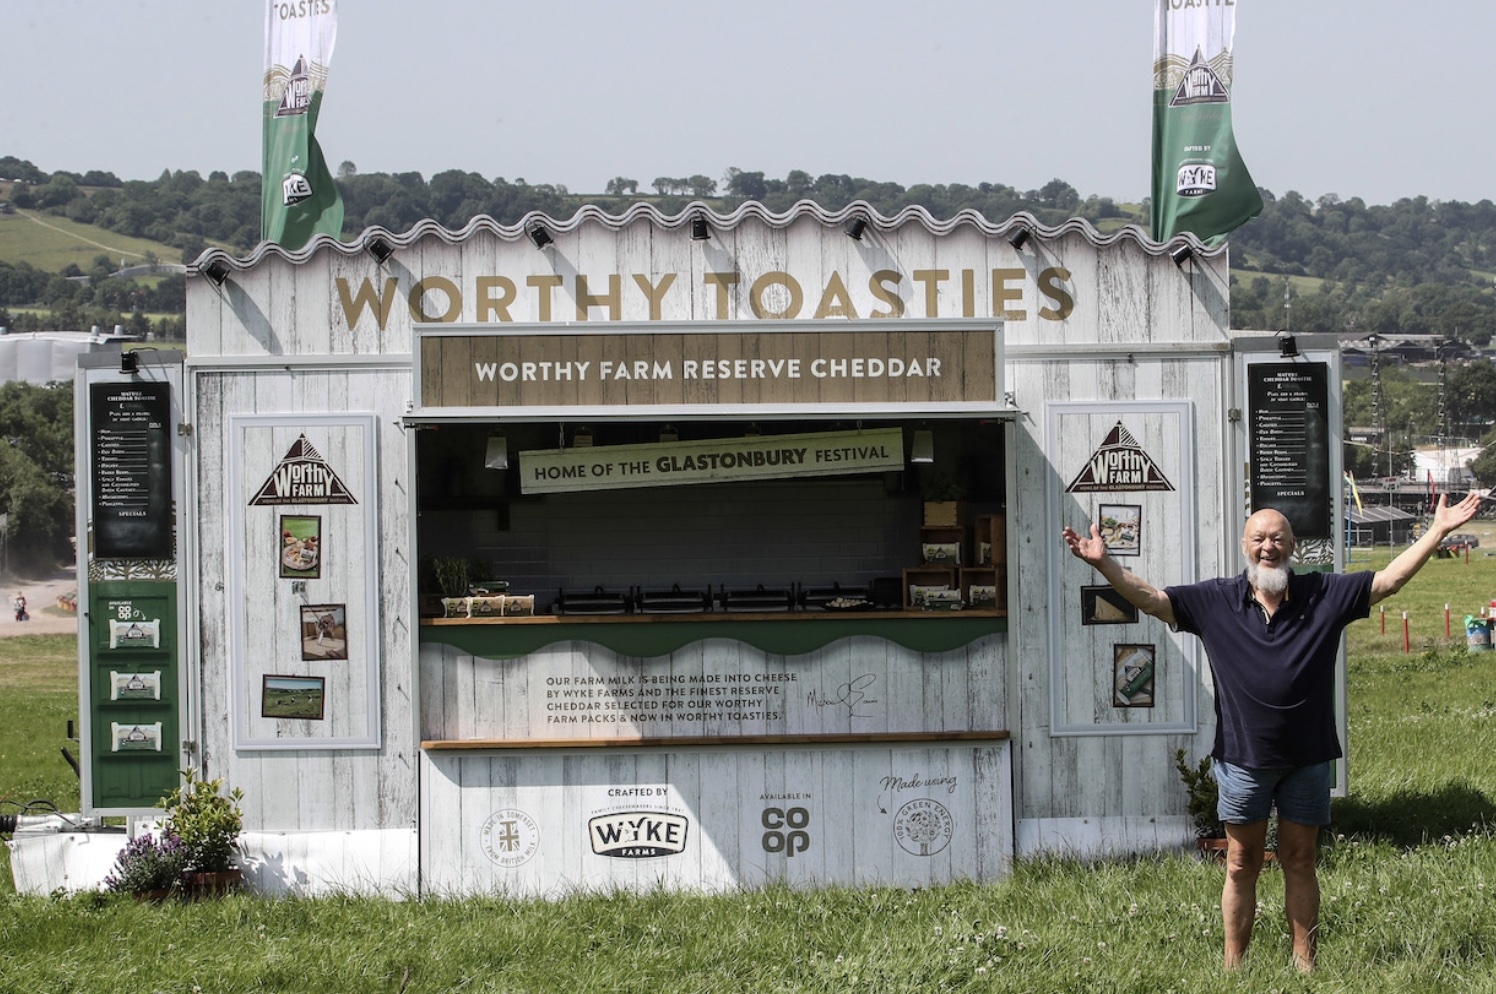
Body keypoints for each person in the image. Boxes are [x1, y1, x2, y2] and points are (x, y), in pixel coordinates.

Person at [1062, 491, 1481, 972]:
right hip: (1243, 759)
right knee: (1242, 863)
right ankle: (1233, 967)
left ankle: (1305, 965)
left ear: (1293, 546)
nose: (1269, 546)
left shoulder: (1324, 594)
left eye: (1278, 538)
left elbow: (1388, 581)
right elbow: (1152, 600)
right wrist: (1105, 565)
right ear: (1245, 546)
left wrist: (1437, 531)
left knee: (1301, 860)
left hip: (1308, 757)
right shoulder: (1215, 600)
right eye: (1259, 538)